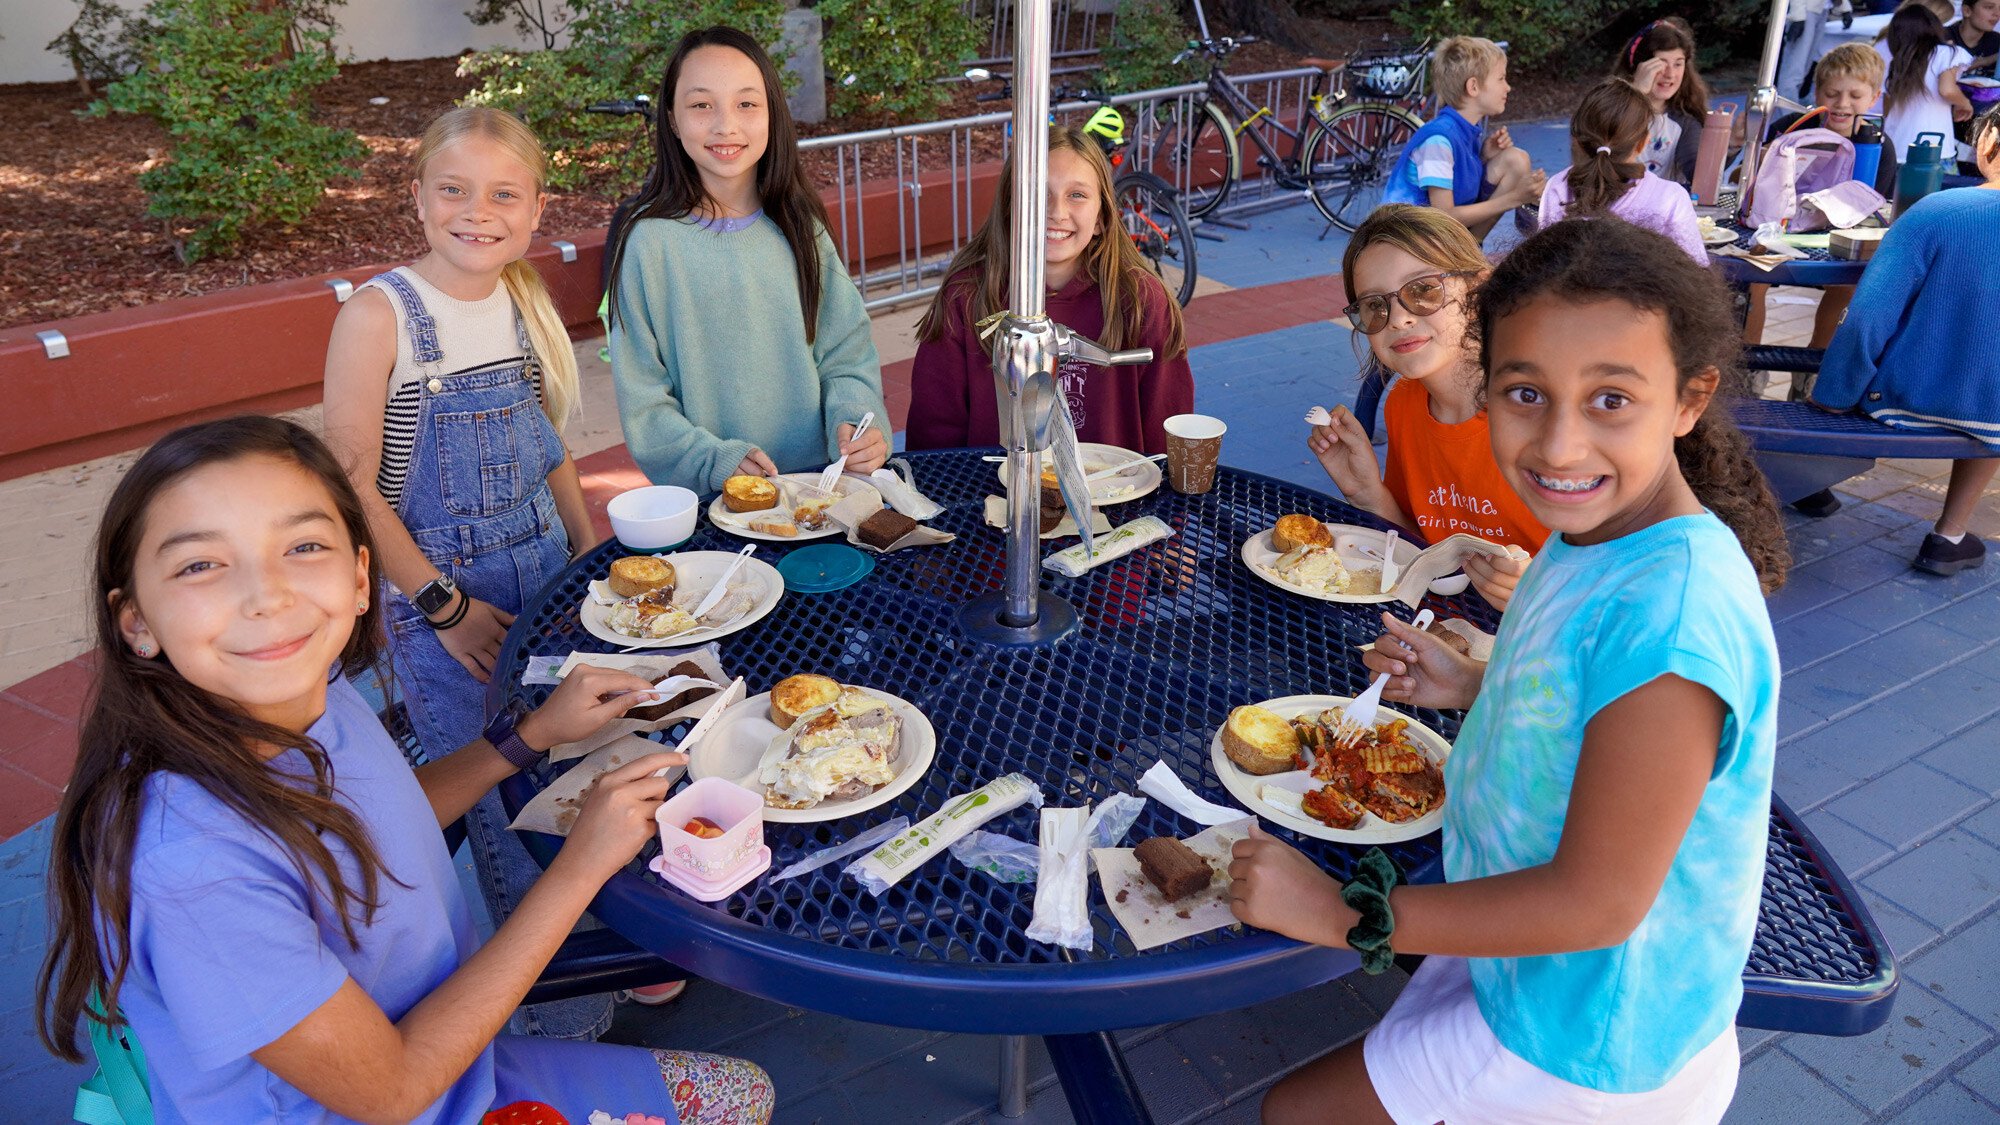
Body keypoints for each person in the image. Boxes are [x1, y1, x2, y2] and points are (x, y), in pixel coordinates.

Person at [35, 416, 774, 1125]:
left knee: (744, 1091)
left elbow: (371, 814)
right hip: (401, 1092)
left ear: (361, 578)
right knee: (742, 1093)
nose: (267, 596)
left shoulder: (309, 695)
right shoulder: (192, 866)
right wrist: (579, 867)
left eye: (302, 547)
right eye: (201, 564)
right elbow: (390, 1089)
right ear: (135, 619)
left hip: (450, 1067)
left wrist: (524, 739)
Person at [1233, 218, 1789, 1125]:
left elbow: (1596, 902)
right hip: (1522, 959)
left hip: (1586, 1029)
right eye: (1526, 393)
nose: (1560, 446)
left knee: (1299, 1114)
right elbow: (1580, 708)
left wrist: (1348, 914)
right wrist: (1472, 687)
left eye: (1611, 399)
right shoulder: (1595, 535)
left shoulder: (1674, 621)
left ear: (1689, 400)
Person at [322, 106, 668, 1038]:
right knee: (500, 789)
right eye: (454, 190)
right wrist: (440, 603)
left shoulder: (520, 300)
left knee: (585, 748)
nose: (477, 212)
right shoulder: (380, 315)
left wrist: (594, 555)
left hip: (549, 571)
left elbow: (549, 445)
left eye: (502, 194)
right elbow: (351, 482)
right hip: (445, 596)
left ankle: (618, 934)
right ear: (419, 199)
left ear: (535, 207)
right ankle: (556, 1009)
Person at [608, 26, 890, 493]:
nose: (725, 125)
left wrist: (857, 424)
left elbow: (846, 354)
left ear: (772, 114)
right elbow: (644, 401)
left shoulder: (802, 226)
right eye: (701, 105)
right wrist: (713, 461)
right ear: (673, 120)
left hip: (822, 493)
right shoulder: (648, 243)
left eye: (746, 103)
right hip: (715, 506)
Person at [1305, 205, 1544, 610]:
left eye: (1423, 290)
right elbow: (1421, 552)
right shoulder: (1403, 404)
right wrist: (1368, 493)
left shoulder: (1540, 412)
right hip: (1443, 632)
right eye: (1374, 306)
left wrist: (1542, 593)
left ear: (1479, 287)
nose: (1397, 319)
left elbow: (1637, 580)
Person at [906, 126, 1192, 454]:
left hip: (1117, 498)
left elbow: (1171, 428)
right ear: (1011, 206)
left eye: (1077, 195)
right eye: (1039, 193)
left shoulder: (1143, 301)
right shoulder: (966, 297)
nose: (1056, 212)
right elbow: (933, 436)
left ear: (1101, 217)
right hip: (989, 498)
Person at [1813, 103, 2000, 576]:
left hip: (1903, 401)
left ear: (1986, 144)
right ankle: (1949, 535)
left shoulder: (1938, 211)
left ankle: (1807, 485)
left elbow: (1867, 318)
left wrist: (1834, 394)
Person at [1744, 43, 1888, 352]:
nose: (1842, 104)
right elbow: (1744, 182)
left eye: (1855, 96)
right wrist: (1762, 158)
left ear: (1874, 98)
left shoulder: (1877, 145)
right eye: (1832, 94)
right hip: (1779, 228)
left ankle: (1812, 368)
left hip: (1841, 238)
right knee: (1751, 276)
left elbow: (1878, 206)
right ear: (1817, 94)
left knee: (1850, 285)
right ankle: (1748, 366)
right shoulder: (1791, 129)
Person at [1381, 36, 1545, 241]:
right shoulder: (1438, 140)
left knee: (1515, 160)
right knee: (1515, 172)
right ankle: (1462, 260)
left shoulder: (1464, 131)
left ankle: (1471, 250)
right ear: (1473, 87)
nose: (1507, 87)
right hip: (1408, 243)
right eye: (1501, 78)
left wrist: (1482, 157)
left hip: (1436, 237)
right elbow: (1445, 215)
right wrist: (1514, 198)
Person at [1538, 78, 1706, 263]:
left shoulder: (1557, 187)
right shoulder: (1671, 198)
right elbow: (1696, 271)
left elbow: (1546, 266)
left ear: (1575, 139)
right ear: (1643, 143)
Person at [1613, 18, 1716, 185]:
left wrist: (1730, 145)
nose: (1670, 74)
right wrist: (1636, 92)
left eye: (1678, 64)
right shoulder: (1609, 109)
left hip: (1663, 209)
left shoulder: (1685, 121)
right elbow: (1602, 154)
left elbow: (1699, 175)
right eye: (1661, 63)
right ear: (1640, 66)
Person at [1882, 1, 1974, 164]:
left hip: (1894, 147)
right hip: (1933, 147)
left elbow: (1887, 106)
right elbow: (1946, 90)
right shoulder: (1947, 53)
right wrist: (1964, 103)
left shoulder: (1898, 61)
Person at [1945, 0, 2000, 170]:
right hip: (1947, 116)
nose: (1996, 14)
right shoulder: (1945, 38)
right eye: (1989, 7)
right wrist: (1987, 60)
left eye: (1999, 9)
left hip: (1981, 119)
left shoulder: (1995, 41)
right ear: (1967, 10)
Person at [1778, 0, 1856, 103]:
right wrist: (1798, 16)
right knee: (1794, 70)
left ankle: (1790, 109)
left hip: (1821, 10)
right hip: (1805, 11)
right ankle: (1787, 113)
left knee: (1803, 69)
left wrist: (1845, 8)